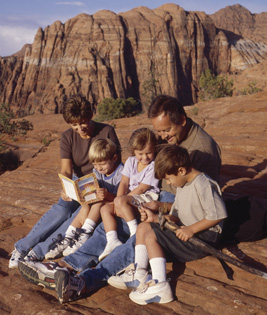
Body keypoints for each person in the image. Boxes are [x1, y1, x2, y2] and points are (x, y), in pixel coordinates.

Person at [17, 95, 222, 304]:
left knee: (136, 237)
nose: (161, 136)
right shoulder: (171, 137)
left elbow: (197, 204)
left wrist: (162, 208)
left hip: (171, 209)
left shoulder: (203, 150)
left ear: (182, 120)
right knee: (107, 226)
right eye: (158, 131)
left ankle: (83, 282)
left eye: (165, 131)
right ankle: (65, 267)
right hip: (155, 199)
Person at [9, 94, 121, 268]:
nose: (79, 128)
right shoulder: (68, 137)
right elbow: (66, 170)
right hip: (78, 182)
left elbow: (114, 164)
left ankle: (37, 253)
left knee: (78, 216)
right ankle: (21, 248)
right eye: (74, 124)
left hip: (100, 183)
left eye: (82, 122)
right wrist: (65, 188)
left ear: (90, 116)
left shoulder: (106, 131)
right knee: (62, 209)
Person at [107, 145, 227, 305]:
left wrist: (191, 229)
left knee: (151, 235)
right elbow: (176, 217)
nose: (169, 183)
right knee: (144, 226)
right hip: (186, 229)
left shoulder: (203, 184)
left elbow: (218, 215)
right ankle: (140, 273)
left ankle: (160, 285)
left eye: (169, 179)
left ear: (182, 170)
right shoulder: (183, 184)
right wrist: (156, 218)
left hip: (203, 238)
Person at [44, 138, 124, 259]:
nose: (98, 168)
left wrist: (107, 195)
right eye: (95, 164)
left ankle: (85, 233)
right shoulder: (97, 171)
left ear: (114, 158)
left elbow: (121, 198)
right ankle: (68, 237)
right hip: (100, 201)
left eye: (102, 163)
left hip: (112, 205)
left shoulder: (121, 172)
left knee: (98, 202)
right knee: (86, 204)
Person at [98, 128, 159, 261]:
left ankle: (134, 233)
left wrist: (122, 200)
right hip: (131, 198)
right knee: (105, 208)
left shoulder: (153, 165)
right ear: (134, 151)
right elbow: (124, 183)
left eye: (149, 153)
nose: (145, 157)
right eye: (140, 153)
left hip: (146, 197)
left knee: (119, 202)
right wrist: (118, 201)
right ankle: (112, 240)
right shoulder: (131, 161)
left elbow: (142, 188)